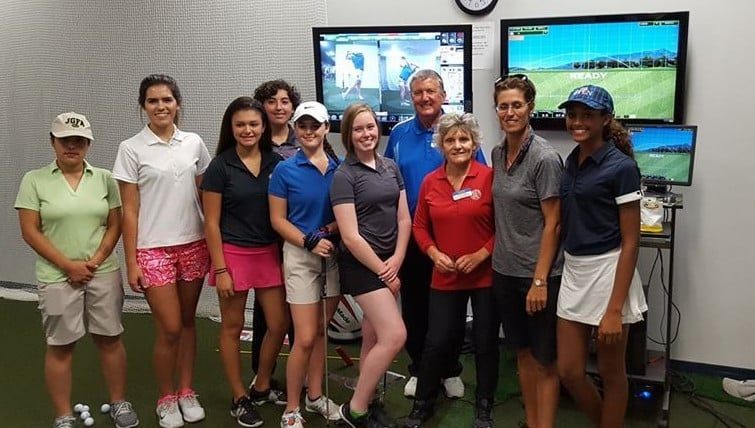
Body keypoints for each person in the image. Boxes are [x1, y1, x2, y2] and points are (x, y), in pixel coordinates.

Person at [15, 112, 139, 428]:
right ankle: (63, 415)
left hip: (103, 271)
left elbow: (116, 223)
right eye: (65, 140)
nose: (72, 145)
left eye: (79, 140)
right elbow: (30, 231)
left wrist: (95, 261)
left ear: (88, 143)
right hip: (57, 276)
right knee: (60, 345)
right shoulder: (34, 179)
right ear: (53, 142)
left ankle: (119, 402)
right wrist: (68, 265)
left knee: (110, 338)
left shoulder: (105, 178)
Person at [113, 74, 211, 428]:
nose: (161, 107)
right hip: (153, 250)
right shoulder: (131, 148)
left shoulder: (194, 143)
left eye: (167, 100)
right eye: (153, 101)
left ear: (178, 103)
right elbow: (130, 210)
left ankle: (186, 390)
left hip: (194, 245)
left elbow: (206, 197)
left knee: (187, 323)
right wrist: (131, 262)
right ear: (143, 107)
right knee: (169, 327)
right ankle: (166, 397)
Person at [384, 69, 485, 399]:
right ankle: (419, 369)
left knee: (452, 312)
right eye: (417, 92)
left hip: (455, 240)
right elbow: (387, 180)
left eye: (431, 91)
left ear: (443, 94)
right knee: (415, 309)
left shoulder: (458, 132)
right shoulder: (399, 135)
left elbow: (481, 181)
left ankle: (450, 369)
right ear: (410, 97)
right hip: (415, 240)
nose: (424, 98)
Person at [556, 85, 647, 428]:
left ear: (606, 119)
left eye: (587, 116)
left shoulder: (621, 167)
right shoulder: (572, 161)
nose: (577, 122)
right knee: (569, 371)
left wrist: (613, 310)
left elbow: (632, 241)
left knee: (611, 372)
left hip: (610, 272)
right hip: (574, 271)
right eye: (572, 115)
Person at [404, 112, 498, 428]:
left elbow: (504, 228)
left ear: (474, 144)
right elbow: (419, 227)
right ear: (441, 145)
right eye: (450, 140)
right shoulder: (432, 181)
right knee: (438, 339)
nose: (457, 145)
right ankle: (422, 405)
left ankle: (484, 406)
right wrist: (433, 253)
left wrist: (482, 253)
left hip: (484, 276)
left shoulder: (489, 177)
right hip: (444, 274)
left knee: (485, 342)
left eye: (463, 139)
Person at [202, 97, 288, 427]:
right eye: (240, 124)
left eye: (253, 124)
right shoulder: (220, 166)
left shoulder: (276, 162)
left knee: (278, 324)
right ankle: (240, 397)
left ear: (264, 127)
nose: (247, 130)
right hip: (233, 256)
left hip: (268, 254)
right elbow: (211, 222)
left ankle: (262, 384)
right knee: (233, 328)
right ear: (231, 128)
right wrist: (221, 269)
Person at [490, 75, 564, 428]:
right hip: (504, 272)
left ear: (530, 107)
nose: (509, 112)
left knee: (545, 361)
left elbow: (554, 224)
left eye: (516, 105)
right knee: (521, 353)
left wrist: (539, 281)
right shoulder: (497, 152)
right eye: (503, 106)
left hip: (537, 277)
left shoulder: (545, 158)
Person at [330, 103, 410, 428]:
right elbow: (350, 237)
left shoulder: (390, 166)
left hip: (390, 262)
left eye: (371, 127)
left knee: (373, 338)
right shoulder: (344, 175)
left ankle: (371, 400)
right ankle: (355, 410)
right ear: (348, 135)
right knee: (395, 335)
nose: (367, 133)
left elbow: (404, 219)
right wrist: (383, 270)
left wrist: (397, 260)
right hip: (364, 268)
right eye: (359, 129)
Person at [269, 101, 342, 428]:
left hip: (331, 254)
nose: (309, 132)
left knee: (320, 332)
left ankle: (315, 396)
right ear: (296, 130)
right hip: (300, 257)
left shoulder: (340, 168)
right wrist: (308, 240)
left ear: (326, 128)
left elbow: (345, 215)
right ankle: (292, 408)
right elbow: (277, 220)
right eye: (303, 126)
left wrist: (327, 232)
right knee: (305, 336)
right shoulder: (284, 170)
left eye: (316, 126)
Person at [249, 79, 301, 386]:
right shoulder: (253, 141)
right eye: (271, 101)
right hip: (264, 237)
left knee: (300, 307)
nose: (278, 107)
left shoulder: (307, 139)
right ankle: (262, 376)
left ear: (292, 106)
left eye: (284, 101)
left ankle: (300, 372)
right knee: (266, 312)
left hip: (300, 236)